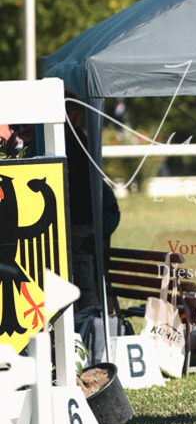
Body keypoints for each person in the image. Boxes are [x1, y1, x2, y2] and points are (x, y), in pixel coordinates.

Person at [65, 99, 120, 308]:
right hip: (95, 221)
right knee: (98, 283)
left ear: (75, 115)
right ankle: (103, 330)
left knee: (88, 290)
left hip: (84, 225)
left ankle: (96, 334)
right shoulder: (82, 142)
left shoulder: (73, 144)